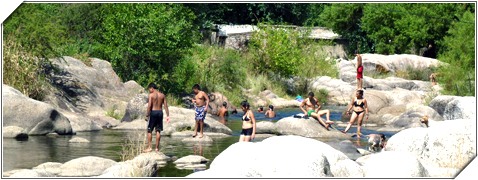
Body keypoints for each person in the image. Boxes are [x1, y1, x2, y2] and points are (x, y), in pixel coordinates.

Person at [144, 83, 170, 152]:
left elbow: (149, 106)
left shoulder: (151, 95)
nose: (149, 91)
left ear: (152, 88)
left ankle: (149, 147)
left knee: (149, 130)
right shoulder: (162, 95)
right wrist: (168, 115)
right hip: (160, 113)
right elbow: (166, 106)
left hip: (154, 112)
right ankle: (157, 148)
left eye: (149, 89)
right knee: (158, 130)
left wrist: (147, 115)